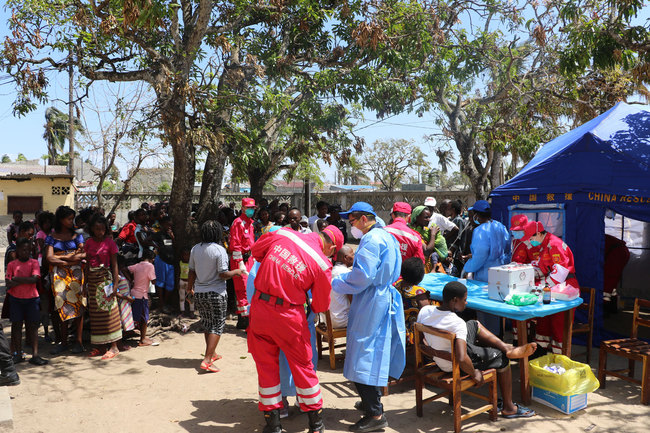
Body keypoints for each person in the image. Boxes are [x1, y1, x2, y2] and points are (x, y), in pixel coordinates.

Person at [248, 224, 343, 433]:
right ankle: (316, 425)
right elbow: (320, 305)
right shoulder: (322, 263)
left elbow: (256, 252)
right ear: (331, 247)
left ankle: (273, 426)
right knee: (303, 366)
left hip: (260, 309)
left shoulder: (282, 234)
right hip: (289, 316)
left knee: (266, 367)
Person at [332, 202, 405, 432]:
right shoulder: (386, 235)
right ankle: (370, 402)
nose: (350, 225)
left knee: (361, 355)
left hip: (372, 300)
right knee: (371, 352)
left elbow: (362, 277)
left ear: (364, 218)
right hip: (379, 297)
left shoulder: (372, 240)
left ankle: (375, 414)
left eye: (352, 220)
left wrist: (337, 282)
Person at [417, 281, 536, 419]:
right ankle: (509, 407)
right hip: (453, 364)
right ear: (455, 300)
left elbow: (421, 340)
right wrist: (474, 373)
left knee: (473, 324)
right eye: (465, 300)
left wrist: (433, 351)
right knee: (502, 358)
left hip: (440, 358)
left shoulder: (425, 311)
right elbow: (462, 358)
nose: (466, 303)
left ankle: (506, 347)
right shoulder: (456, 323)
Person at [188, 220, 245, 372]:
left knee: (207, 322)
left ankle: (212, 353)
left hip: (200, 292)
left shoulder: (195, 249)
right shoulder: (219, 250)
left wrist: (189, 289)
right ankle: (207, 360)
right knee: (217, 325)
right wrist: (237, 272)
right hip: (216, 293)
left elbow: (191, 271)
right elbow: (223, 274)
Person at [519, 221, 579, 354]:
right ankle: (540, 354)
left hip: (564, 289)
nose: (530, 241)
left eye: (531, 238)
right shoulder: (543, 245)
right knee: (543, 322)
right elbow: (542, 267)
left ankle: (559, 359)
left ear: (539, 234)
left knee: (559, 325)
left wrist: (540, 286)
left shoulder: (554, 244)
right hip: (551, 289)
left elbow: (560, 273)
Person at [461, 200, 510, 334]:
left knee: (485, 310)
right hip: (500, 272)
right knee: (497, 308)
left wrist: (468, 267)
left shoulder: (480, 231)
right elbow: (506, 248)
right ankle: (498, 338)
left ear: (476, 215)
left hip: (484, 275)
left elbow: (480, 255)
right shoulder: (500, 226)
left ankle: (488, 342)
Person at [45, 206, 86, 354]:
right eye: (69, 218)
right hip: (59, 275)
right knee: (61, 306)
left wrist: (60, 257)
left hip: (75, 274)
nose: (71, 221)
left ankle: (78, 342)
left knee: (78, 305)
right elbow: (49, 257)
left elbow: (82, 255)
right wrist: (69, 259)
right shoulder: (51, 236)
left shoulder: (77, 235)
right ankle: (63, 341)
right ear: (61, 220)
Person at [84, 214, 123, 360]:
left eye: (102, 229)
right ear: (92, 229)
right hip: (93, 283)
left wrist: (115, 285)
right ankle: (101, 346)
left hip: (106, 281)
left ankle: (114, 346)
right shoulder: (88, 243)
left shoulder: (110, 243)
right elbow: (87, 265)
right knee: (95, 314)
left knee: (109, 313)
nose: (99, 232)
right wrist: (84, 284)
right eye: (96, 229)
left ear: (105, 229)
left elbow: (114, 265)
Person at [5, 238, 47, 366]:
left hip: (32, 299)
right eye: (22, 249)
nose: (25, 252)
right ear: (17, 250)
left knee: (33, 327)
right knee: (16, 326)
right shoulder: (12, 264)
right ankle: (18, 353)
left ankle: (35, 355)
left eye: (28, 250)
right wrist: (25, 279)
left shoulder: (33, 263)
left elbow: (34, 279)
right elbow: (8, 282)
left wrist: (17, 279)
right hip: (16, 299)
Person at [229, 198, 256, 329]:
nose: (251, 210)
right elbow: (235, 244)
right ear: (243, 208)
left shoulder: (251, 223)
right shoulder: (237, 223)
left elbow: (251, 243)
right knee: (243, 289)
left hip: (249, 259)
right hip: (240, 260)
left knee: (250, 288)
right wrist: (240, 263)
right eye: (249, 208)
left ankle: (245, 320)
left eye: (253, 208)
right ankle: (245, 321)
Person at [393, 257, 429, 345]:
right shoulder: (419, 293)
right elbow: (428, 313)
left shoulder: (397, 285)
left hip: (395, 329)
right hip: (411, 335)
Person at [128, 249, 157, 346]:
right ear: (152, 259)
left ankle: (137, 335)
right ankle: (142, 339)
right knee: (144, 318)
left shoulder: (137, 265)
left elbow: (126, 268)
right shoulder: (150, 266)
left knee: (134, 316)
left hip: (133, 293)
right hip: (142, 295)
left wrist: (130, 279)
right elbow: (153, 281)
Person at [409, 206, 448, 273]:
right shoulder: (413, 233)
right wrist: (433, 235)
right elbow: (427, 251)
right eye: (426, 217)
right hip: (418, 270)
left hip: (427, 268)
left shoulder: (427, 231)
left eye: (429, 217)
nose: (429, 219)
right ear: (417, 217)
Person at [327, 245, 354, 329]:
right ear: (346, 257)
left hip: (327, 320)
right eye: (353, 254)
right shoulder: (346, 273)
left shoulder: (330, 271)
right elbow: (353, 300)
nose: (354, 257)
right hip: (341, 320)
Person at [152, 215, 175, 312]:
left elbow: (175, 245)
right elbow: (146, 240)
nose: (169, 227)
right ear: (162, 225)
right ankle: (161, 304)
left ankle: (164, 303)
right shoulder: (158, 234)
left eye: (170, 225)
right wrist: (157, 247)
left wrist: (172, 237)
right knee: (160, 283)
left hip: (171, 262)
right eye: (167, 225)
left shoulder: (172, 235)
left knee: (170, 284)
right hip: (161, 260)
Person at [178, 248, 195, 317]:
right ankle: (182, 311)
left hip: (189, 282)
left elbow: (193, 273)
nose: (186, 257)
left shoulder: (191, 264)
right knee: (182, 298)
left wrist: (193, 283)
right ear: (182, 256)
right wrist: (177, 283)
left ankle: (192, 311)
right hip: (182, 281)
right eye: (184, 255)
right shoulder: (180, 263)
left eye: (188, 255)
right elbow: (178, 273)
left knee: (191, 298)